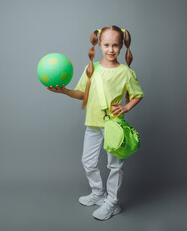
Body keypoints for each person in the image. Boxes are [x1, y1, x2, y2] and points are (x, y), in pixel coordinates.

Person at [47, 25, 145, 220]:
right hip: (92, 124)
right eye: (106, 45)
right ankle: (98, 194)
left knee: (114, 166)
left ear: (121, 47)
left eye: (115, 45)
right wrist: (65, 91)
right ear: (99, 45)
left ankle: (112, 203)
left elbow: (138, 94)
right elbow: (82, 93)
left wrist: (126, 108)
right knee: (88, 162)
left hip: (114, 127)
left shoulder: (125, 72)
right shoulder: (91, 68)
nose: (110, 49)